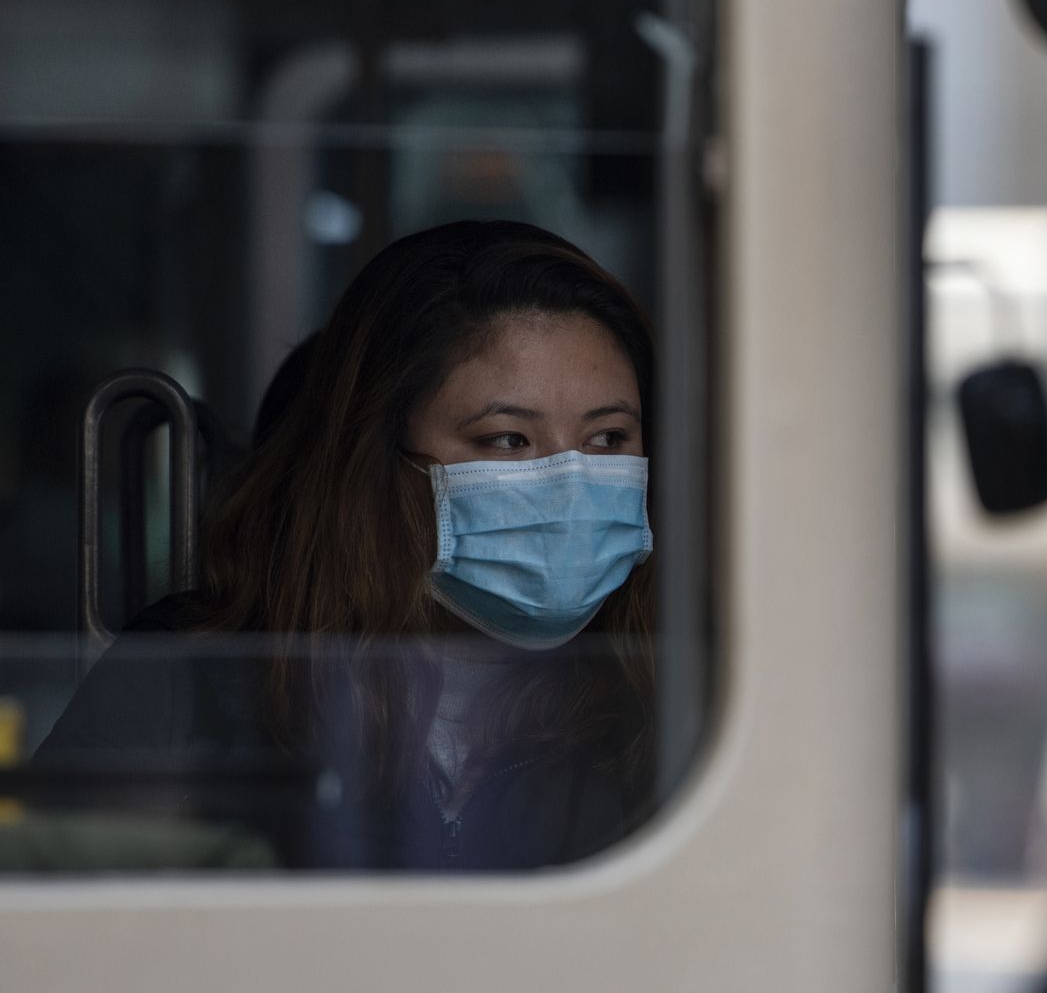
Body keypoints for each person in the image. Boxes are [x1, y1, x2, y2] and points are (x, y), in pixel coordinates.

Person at [34, 220, 659, 871]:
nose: (568, 484)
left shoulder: (673, 711)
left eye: (609, 439)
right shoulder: (191, 681)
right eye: (507, 440)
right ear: (376, 458)